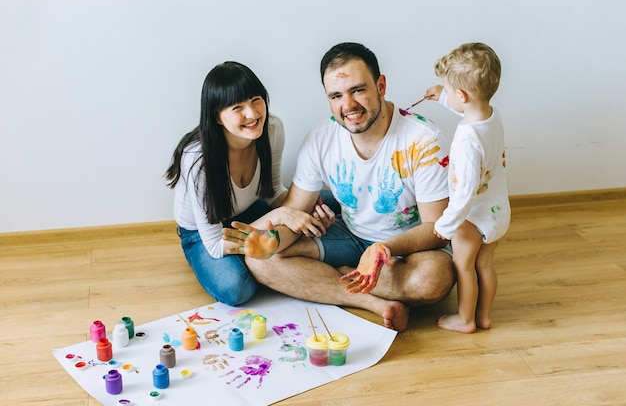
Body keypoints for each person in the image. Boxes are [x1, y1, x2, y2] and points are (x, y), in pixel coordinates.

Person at [223, 42, 455, 332]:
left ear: (381, 85)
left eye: (358, 90)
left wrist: (384, 248)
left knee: (434, 280)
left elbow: (438, 229)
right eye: (336, 95)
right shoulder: (321, 138)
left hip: (409, 248)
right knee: (261, 262)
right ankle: (369, 299)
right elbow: (295, 210)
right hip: (350, 236)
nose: (348, 105)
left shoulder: (425, 139)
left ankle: (336, 277)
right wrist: (273, 240)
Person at [164, 61, 327, 306]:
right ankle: (265, 258)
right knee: (237, 287)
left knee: (325, 202)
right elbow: (216, 246)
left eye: (255, 100)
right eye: (237, 107)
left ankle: (268, 253)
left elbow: (272, 193)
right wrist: (285, 215)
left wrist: (301, 206)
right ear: (217, 116)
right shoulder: (198, 161)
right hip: (205, 235)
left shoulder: (272, 129)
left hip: (253, 211)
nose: (252, 115)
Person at [425, 42, 511, 333]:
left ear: (460, 95)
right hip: (497, 211)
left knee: (464, 266)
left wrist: (447, 224)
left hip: (470, 217)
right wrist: (441, 98)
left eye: (447, 89)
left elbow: (464, 193)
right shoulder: (491, 114)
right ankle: (484, 316)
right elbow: (467, 108)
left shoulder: (465, 141)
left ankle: (465, 319)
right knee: (485, 265)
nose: (447, 94)